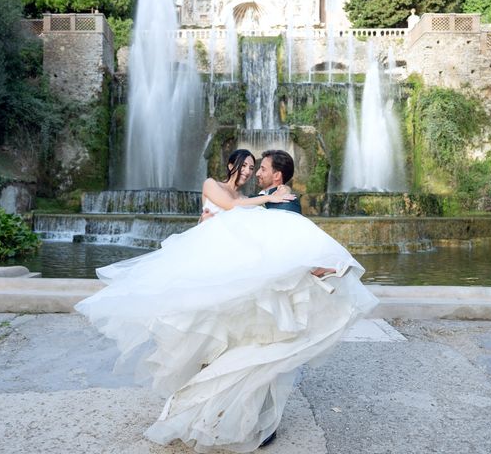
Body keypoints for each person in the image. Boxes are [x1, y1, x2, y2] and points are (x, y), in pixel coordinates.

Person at [75, 149, 378, 453]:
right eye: (247, 166)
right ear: (232, 165)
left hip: (246, 282)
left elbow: (288, 236)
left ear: (277, 176)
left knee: (254, 350)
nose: (252, 172)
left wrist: (317, 265)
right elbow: (237, 214)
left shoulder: (279, 198)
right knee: (217, 342)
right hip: (213, 273)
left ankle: (244, 419)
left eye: (258, 168)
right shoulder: (230, 190)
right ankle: (215, 410)